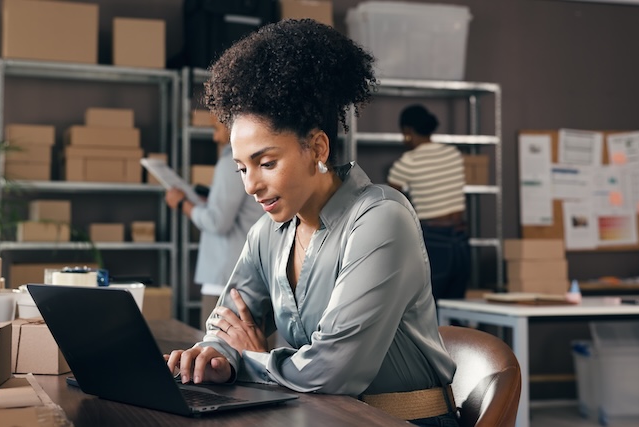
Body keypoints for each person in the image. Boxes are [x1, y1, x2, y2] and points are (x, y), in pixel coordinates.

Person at [165, 19, 458, 426]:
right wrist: (214, 354)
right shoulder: (267, 232)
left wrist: (250, 359)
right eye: (241, 169)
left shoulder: (380, 220)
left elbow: (333, 371)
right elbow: (228, 320)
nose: (251, 186)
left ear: (317, 147)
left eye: (266, 163)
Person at [164, 115, 263, 328]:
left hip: (226, 280)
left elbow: (218, 221)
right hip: (245, 277)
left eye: (216, 127)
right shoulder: (253, 158)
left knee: (215, 355)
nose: (214, 135)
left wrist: (183, 204)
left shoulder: (232, 162)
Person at [387, 104, 471, 303]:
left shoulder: (408, 161)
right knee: (456, 308)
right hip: (460, 237)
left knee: (429, 307)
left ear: (407, 131)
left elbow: (390, 202)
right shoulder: (453, 154)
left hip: (433, 239)